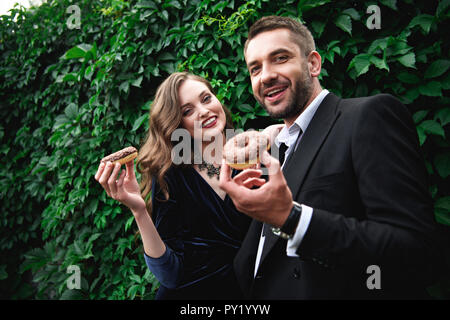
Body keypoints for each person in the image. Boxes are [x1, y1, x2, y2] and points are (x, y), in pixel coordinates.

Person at [219, 16, 444, 299]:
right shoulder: (271, 150)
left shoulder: (367, 116)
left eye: (280, 58)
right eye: (255, 69)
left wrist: (293, 219)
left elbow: (418, 253)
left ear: (313, 64)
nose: (265, 76)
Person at [94, 72, 281, 300]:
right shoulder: (170, 176)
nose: (204, 112)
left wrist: (272, 141)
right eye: (187, 111)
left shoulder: (259, 152)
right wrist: (139, 210)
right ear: (176, 124)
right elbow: (170, 275)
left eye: (206, 99)